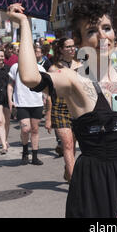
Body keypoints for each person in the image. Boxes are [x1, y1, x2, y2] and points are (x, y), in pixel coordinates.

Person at [8, 0, 117, 218]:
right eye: (92, 31)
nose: (102, 36)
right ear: (79, 41)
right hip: (97, 185)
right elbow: (30, 77)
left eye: (107, 28)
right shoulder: (73, 79)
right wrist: (24, 24)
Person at [46, 37, 81, 182]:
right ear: (61, 49)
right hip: (61, 108)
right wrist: (48, 118)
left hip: (79, 108)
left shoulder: (81, 65)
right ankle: (74, 180)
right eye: (68, 47)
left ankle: (68, 171)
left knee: (73, 146)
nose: (72, 49)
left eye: (73, 46)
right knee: (67, 144)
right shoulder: (54, 68)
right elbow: (49, 95)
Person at [8, 60, 46, 165]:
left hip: (37, 103)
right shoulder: (15, 67)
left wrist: (46, 97)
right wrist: (10, 100)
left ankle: (34, 156)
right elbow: (10, 85)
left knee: (35, 130)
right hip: (21, 103)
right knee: (25, 129)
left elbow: (45, 85)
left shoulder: (40, 68)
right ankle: (25, 152)